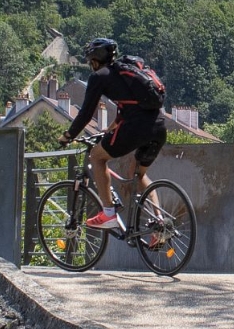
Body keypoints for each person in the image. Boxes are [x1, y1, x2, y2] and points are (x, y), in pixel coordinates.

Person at [59, 38, 168, 231]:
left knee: (97, 157)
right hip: (159, 126)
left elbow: (85, 114)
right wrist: (108, 131)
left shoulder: (99, 77)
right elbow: (126, 108)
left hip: (137, 128)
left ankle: (108, 213)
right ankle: (160, 224)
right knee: (138, 173)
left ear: (94, 60)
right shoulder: (124, 74)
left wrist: (68, 135)